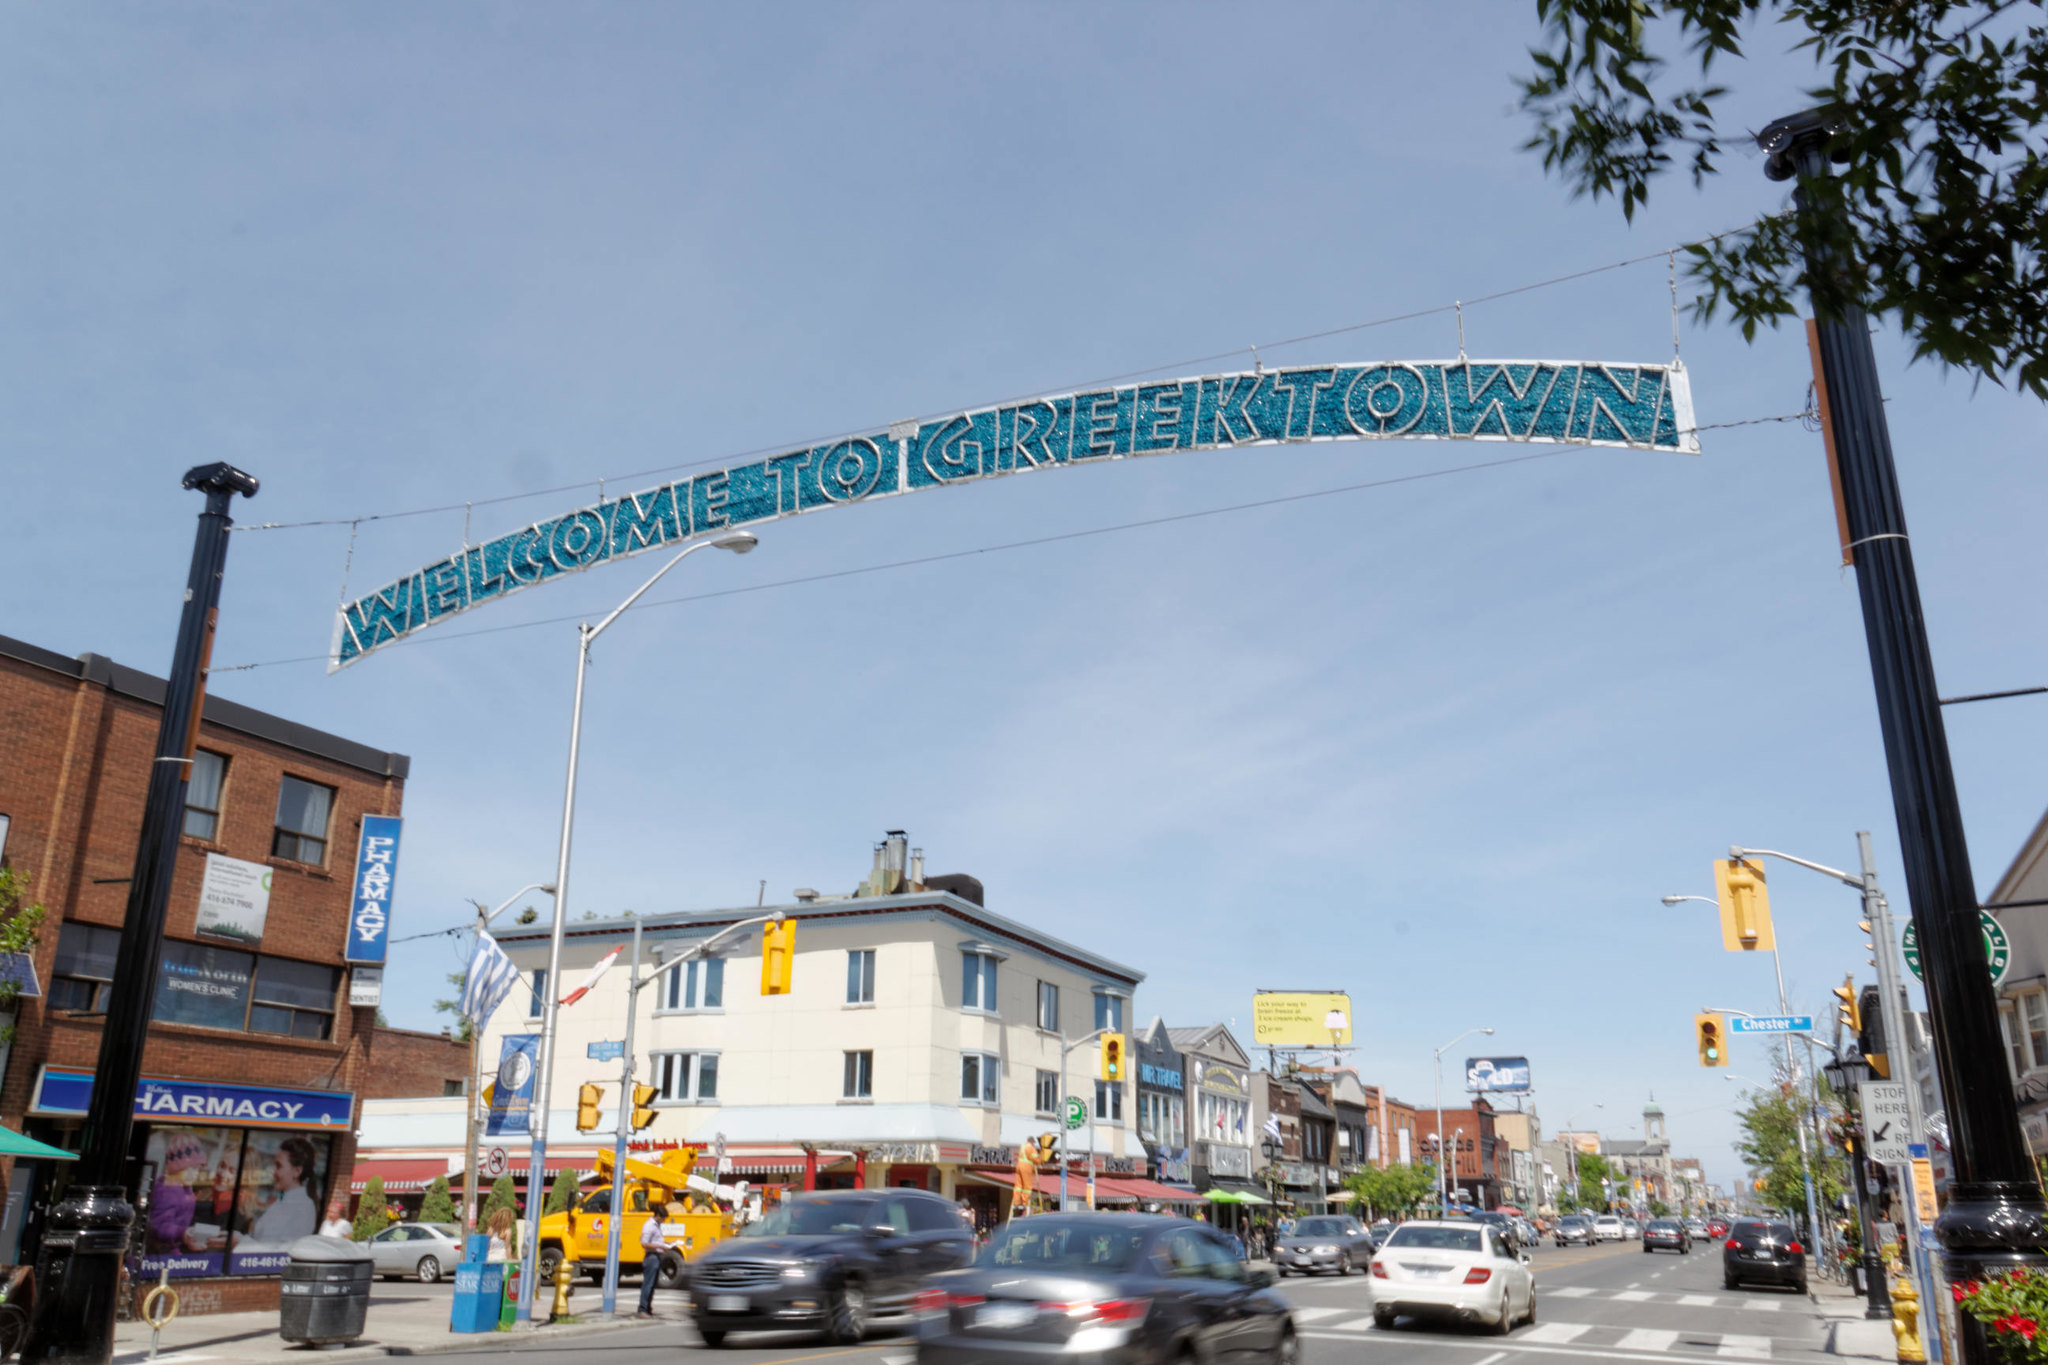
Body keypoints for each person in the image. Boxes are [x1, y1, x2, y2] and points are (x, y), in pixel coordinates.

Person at [239, 1137, 320, 1248]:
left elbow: (281, 1255)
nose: (274, 1172)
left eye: (279, 1166)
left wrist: (240, 1242)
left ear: (297, 1171)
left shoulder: (304, 1208)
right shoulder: (282, 1201)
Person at [635, 1207, 674, 1317]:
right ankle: (642, 1309)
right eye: (662, 1218)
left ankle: (648, 1308)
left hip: (656, 1256)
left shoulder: (656, 1226)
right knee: (648, 1284)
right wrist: (660, 1246)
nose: (663, 1220)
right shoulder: (649, 1226)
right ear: (657, 1215)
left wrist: (667, 1244)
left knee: (652, 1285)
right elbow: (644, 1243)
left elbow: (656, 1240)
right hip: (651, 1257)